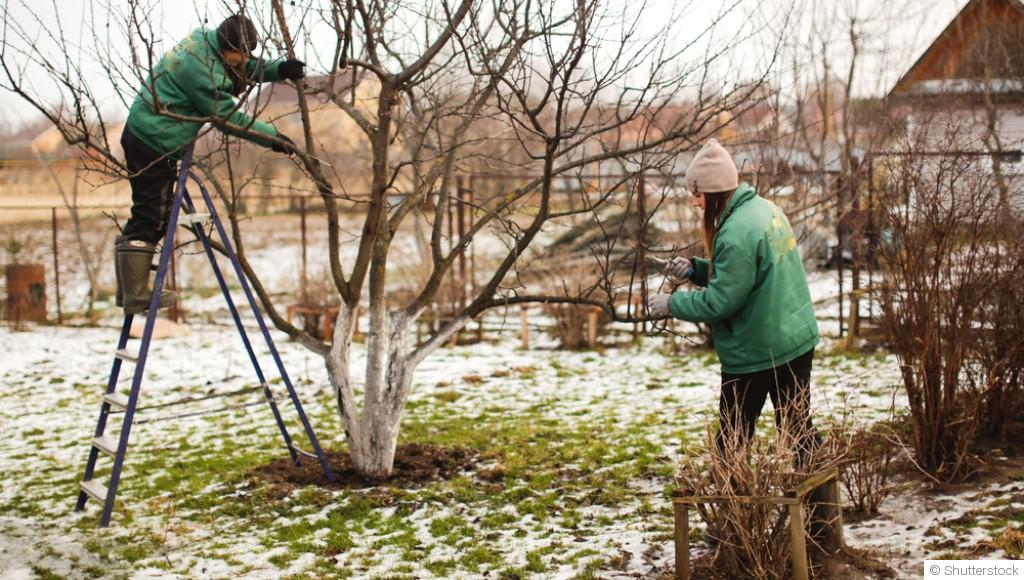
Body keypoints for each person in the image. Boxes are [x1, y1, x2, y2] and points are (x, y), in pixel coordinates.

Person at [647, 139, 821, 463]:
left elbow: (720, 302)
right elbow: (749, 274)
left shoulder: (734, 233)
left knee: (732, 440)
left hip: (757, 350)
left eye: (697, 195)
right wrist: (697, 270)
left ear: (712, 192)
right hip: (793, 339)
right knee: (798, 431)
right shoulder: (766, 209)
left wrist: (671, 305)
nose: (696, 204)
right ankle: (822, 509)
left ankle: (732, 511)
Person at [116, 14, 305, 313]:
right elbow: (228, 118)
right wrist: (273, 138)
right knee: (151, 216)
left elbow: (240, 68)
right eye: (240, 53)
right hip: (153, 140)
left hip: (148, 133)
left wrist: (279, 69)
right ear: (226, 45)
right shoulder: (201, 72)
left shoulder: (208, 43)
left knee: (147, 212)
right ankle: (136, 294)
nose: (244, 59)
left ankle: (128, 290)